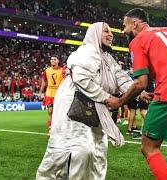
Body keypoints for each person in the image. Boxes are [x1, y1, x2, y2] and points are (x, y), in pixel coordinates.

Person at [109, 8, 167, 180]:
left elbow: (140, 83)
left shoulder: (138, 41)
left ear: (135, 24)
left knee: (149, 147)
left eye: (125, 26)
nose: (123, 31)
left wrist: (120, 101)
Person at [36, 22, 133, 179]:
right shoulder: (87, 51)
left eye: (111, 32)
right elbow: (81, 79)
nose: (111, 34)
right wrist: (107, 97)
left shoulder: (106, 57)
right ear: (94, 34)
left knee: (96, 148)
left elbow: (119, 76)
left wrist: (137, 91)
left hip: (93, 104)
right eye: (105, 31)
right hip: (74, 103)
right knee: (77, 149)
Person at [39, 55, 64, 135]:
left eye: (55, 59)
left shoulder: (62, 70)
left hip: (59, 94)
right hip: (49, 93)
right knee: (50, 111)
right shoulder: (47, 71)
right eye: (51, 59)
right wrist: (40, 92)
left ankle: (59, 128)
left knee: (60, 112)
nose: (53, 60)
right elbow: (44, 82)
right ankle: (50, 129)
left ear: (58, 61)